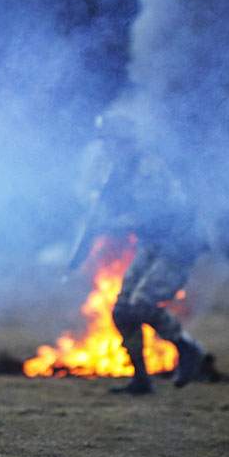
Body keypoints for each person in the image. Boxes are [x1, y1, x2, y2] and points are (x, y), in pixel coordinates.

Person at [87, 124, 207, 395]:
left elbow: (152, 213)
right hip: (152, 243)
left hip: (178, 243)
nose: (106, 149)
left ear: (126, 143)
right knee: (122, 311)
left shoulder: (147, 170)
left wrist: (113, 223)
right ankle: (140, 380)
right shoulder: (121, 171)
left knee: (142, 304)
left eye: (111, 142)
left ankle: (187, 347)